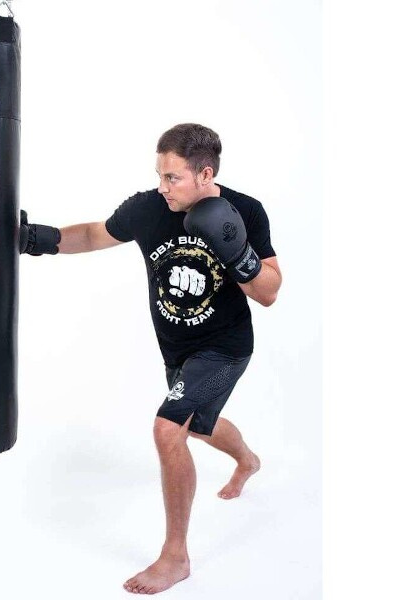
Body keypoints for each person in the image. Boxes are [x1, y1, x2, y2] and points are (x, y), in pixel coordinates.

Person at [20, 123, 282, 595]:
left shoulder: (245, 211)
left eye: (172, 177)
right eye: (159, 175)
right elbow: (94, 235)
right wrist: (36, 239)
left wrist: (237, 252)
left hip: (225, 348)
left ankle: (175, 557)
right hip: (177, 349)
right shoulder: (148, 208)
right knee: (198, 426)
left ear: (205, 174)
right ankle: (248, 460)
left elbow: (269, 292)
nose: (163, 187)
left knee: (168, 428)